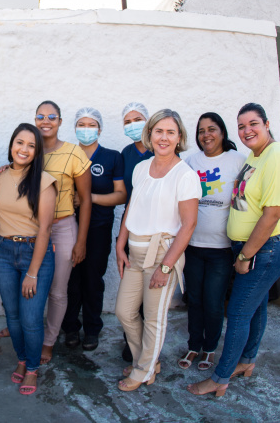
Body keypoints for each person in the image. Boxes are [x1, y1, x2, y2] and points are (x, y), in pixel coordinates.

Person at [188, 103, 280, 398]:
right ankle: (246, 361)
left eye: (253, 124)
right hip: (250, 246)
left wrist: (246, 255)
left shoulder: (277, 156)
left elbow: (272, 213)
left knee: (236, 312)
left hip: (264, 249)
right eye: (242, 126)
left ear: (266, 124)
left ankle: (219, 378)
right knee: (256, 306)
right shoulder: (255, 156)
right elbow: (270, 198)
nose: (247, 130)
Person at [115, 109, 200, 392]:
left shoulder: (185, 175)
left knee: (154, 318)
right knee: (124, 312)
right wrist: (120, 243)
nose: (164, 137)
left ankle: (144, 369)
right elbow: (131, 207)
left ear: (179, 138)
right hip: (135, 253)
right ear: (150, 134)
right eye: (158, 131)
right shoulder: (141, 168)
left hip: (162, 254)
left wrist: (166, 266)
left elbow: (188, 225)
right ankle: (146, 361)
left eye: (170, 132)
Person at [0, 124, 57, 395]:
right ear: (11, 145)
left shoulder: (44, 182)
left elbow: (45, 229)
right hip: (3, 252)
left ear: (37, 151)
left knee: (30, 319)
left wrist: (32, 272)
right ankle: (21, 359)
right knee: (13, 314)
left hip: (35, 254)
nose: (24, 149)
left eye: (31, 146)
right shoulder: (0, 176)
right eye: (20, 143)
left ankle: (32, 369)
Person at [178, 112, 245, 372]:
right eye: (201, 130)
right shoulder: (191, 162)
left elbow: (252, 195)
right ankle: (194, 345)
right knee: (194, 300)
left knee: (214, 301)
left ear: (222, 132)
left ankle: (210, 349)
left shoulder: (238, 160)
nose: (206, 135)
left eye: (212, 129)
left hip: (221, 249)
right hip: (193, 246)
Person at [62, 107, 125, 351]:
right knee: (69, 280)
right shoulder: (67, 154)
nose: (86, 130)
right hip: (68, 227)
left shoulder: (112, 157)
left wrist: (89, 198)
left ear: (99, 128)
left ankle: (91, 329)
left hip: (99, 228)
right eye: (81, 124)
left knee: (92, 280)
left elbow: (120, 195)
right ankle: (70, 328)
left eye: (91, 125)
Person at [34, 100, 92, 364]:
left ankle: (48, 340)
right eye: (40, 116)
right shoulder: (29, 149)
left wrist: (81, 241)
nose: (46, 121)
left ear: (59, 121)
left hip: (62, 228)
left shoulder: (73, 153)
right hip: (32, 229)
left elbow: (86, 199)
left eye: (52, 116)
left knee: (58, 290)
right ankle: (27, 330)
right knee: (31, 286)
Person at [119, 102, 153, 363]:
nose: (133, 125)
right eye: (128, 121)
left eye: (138, 119)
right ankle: (131, 344)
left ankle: (150, 351)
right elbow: (126, 196)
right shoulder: (127, 154)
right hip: (132, 230)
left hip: (158, 233)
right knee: (130, 295)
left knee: (151, 295)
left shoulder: (161, 150)